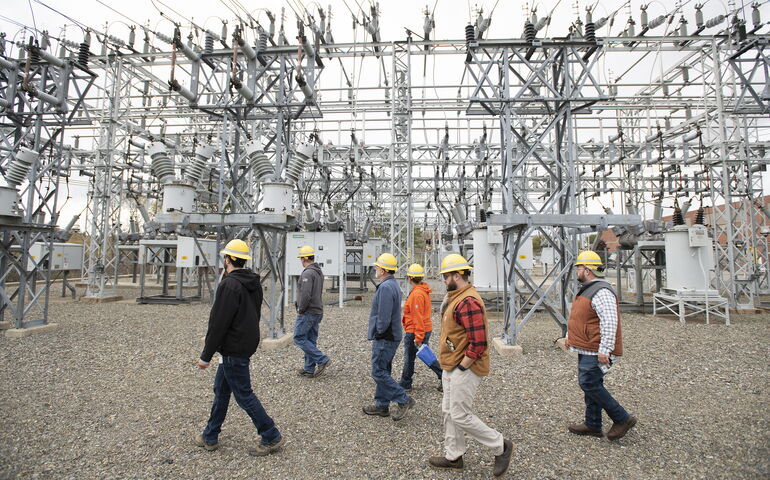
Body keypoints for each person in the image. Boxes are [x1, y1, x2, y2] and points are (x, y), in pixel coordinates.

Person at [194, 239, 284, 457]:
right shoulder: (252, 282)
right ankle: (210, 435)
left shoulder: (229, 284)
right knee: (221, 390)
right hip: (242, 344)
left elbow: (219, 323)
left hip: (233, 348)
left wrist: (206, 356)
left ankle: (271, 435)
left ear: (227, 259)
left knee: (243, 394)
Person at [427, 254, 512, 477]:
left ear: (457, 275)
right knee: (449, 411)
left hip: (464, 367)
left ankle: (501, 446)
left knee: (460, 414)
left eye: (446, 276)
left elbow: (479, 342)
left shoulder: (468, 301)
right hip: (451, 364)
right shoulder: (456, 296)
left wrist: (463, 367)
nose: (444, 280)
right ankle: (453, 456)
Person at [565, 250, 636, 441]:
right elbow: (580, 317)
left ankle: (622, 418)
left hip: (595, 348)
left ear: (587, 270)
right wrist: (569, 337)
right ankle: (593, 424)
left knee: (588, 383)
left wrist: (605, 349)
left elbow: (609, 321)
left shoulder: (601, 291)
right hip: (586, 346)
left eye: (579, 267)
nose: (577, 270)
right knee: (592, 384)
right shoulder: (589, 288)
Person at [362, 252, 415, 421]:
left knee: (378, 371)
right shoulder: (393, 285)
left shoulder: (385, 287)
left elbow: (383, 316)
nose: (376, 269)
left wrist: (379, 332)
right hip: (392, 335)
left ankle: (403, 399)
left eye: (377, 267)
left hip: (386, 336)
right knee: (384, 369)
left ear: (383, 270)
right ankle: (382, 405)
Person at [399, 263, 442, 392]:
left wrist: (418, 336)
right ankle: (406, 381)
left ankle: (406, 383)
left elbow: (417, 317)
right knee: (422, 354)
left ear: (409, 278)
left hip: (415, 330)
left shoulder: (417, 294)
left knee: (412, 357)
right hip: (422, 328)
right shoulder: (422, 290)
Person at [293, 245, 331, 378]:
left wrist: (300, 309)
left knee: (298, 337)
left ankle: (322, 359)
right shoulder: (318, 271)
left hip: (308, 311)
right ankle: (309, 369)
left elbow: (305, 294)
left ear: (304, 259)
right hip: (317, 310)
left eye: (301, 259)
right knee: (310, 339)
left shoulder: (308, 273)